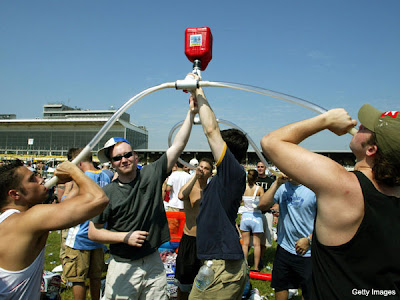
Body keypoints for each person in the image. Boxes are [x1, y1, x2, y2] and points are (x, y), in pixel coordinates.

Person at [260, 104, 400, 299]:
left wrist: (325, 120)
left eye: (366, 128)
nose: (360, 126)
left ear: (371, 150)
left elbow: (271, 142)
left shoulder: (344, 187)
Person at [88, 95, 198, 300]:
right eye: (117, 158)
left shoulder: (151, 173)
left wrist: (190, 114)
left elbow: (177, 146)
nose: (124, 160)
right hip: (122, 265)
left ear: (135, 156)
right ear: (111, 163)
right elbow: (93, 233)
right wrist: (124, 237)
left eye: (127, 154)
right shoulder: (107, 193)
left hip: (153, 260)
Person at [0, 159, 108, 299]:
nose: (41, 180)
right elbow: (98, 199)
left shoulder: (8, 221)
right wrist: (73, 170)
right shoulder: (29, 219)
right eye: (32, 179)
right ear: (15, 194)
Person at [188, 82, 248, 299]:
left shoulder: (233, 171)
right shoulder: (222, 177)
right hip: (216, 263)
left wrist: (198, 90)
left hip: (223, 267)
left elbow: (211, 130)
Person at [62, 148, 111, 300]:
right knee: (95, 277)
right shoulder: (105, 176)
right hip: (97, 235)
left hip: (80, 236)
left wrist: (65, 190)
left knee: (78, 278)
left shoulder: (82, 178)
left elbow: (65, 203)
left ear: (79, 162)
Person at [258, 174, 316, 300]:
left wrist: (309, 239)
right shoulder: (282, 187)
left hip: (308, 251)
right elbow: (262, 205)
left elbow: (325, 221)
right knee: (281, 285)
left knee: (308, 290)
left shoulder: (313, 189)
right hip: (284, 247)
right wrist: (276, 184)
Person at [174, 158, 213, 300]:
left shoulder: (211, 190)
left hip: (206, 240)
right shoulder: (190, 188)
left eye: (206, 168)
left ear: (210, 173)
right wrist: (194, 177)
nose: (202, 169)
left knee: (206, 281)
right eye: (200, 167)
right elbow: (181, 195)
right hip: (190, 239)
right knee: (184, 282)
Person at [240, 169, 264, 271]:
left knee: (245, 244)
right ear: (257, 178)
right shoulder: (259, 189)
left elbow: (240, 200)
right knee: (256, 244)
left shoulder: (243, 187)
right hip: (256, 216)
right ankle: (256, 266)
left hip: (245, 216)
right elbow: (263, 203)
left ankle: (244, 266)